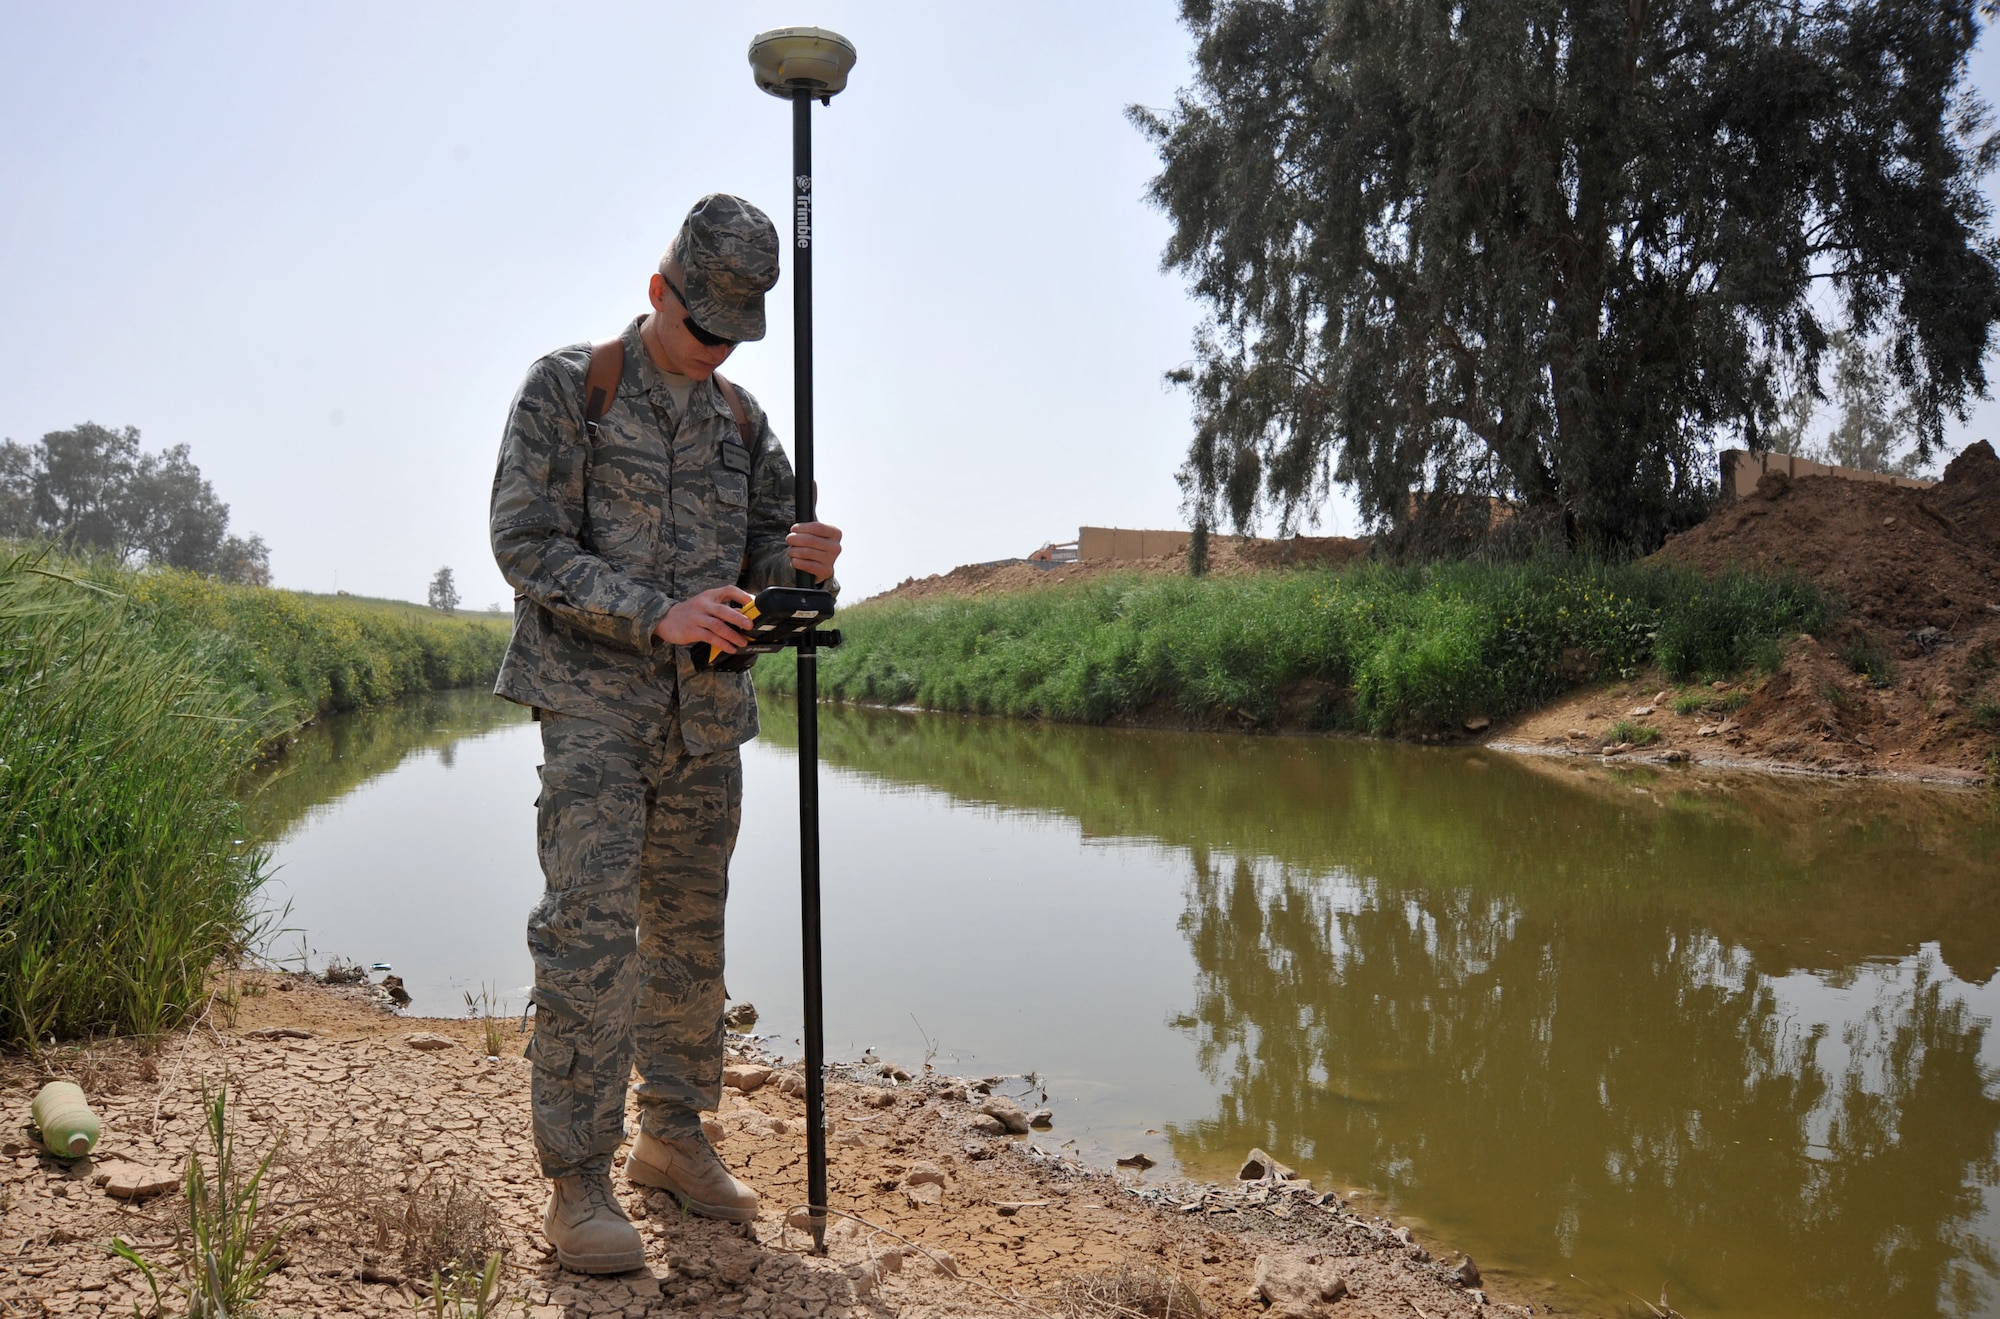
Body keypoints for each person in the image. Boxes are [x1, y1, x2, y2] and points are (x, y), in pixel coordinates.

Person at [489, 193, 841, 1274]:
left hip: (708, 722)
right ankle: (578, 1179)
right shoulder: (571, 389)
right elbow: (525, 543)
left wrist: (806, 574)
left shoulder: (743, 425)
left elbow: (766, 582)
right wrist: (653, 608)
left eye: (737, 337)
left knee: (691, 936)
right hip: (595, 708)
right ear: (658, 292)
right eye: (703, 329)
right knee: (590, 937)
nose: (717, 351)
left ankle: (672, 1136)